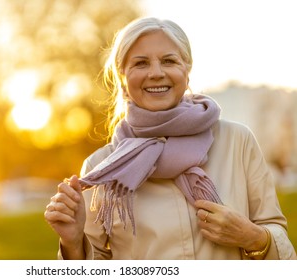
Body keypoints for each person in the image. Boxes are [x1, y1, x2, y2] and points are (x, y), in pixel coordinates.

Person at [44, 17, 297, 260]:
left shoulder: (237, 141)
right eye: (141, 63)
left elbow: (279, 243)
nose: (156, 73)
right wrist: (73, 243)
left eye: (168, 61)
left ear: (186, 70)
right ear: (122, 78)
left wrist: (253, 237)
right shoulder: (101, 167)